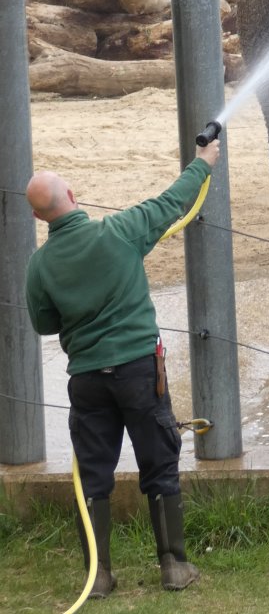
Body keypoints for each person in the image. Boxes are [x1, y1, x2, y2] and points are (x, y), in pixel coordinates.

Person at [24, 136, 221, 597]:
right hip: (139, 373)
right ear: (72, 196)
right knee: (159, 462)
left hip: (88, 381)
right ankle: (174, 567)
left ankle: (99, 577)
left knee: (92, 475)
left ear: (39, 217)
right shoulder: (122, 231)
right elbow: (173, 201)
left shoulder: (39, 265)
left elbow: (43, 322)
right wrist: (203, 162)